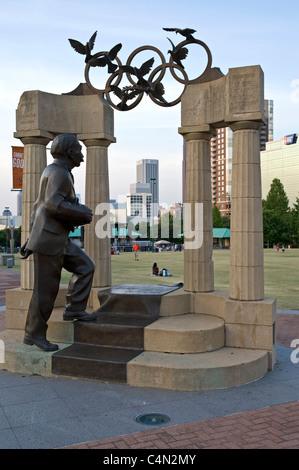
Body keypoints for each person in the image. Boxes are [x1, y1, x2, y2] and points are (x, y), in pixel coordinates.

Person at [20, 134, 96, 352]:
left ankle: (74, 309)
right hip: (49, 240)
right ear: (69, 152)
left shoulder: (56, 171)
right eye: (79, 150)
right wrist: (81, 212)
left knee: (85, 266)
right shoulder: (58, 173)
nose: (82, 155)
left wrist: (29, 238)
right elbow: (52, 205)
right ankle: (33, 334)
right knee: (45, 291)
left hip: (56, 236)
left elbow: (38, 206)